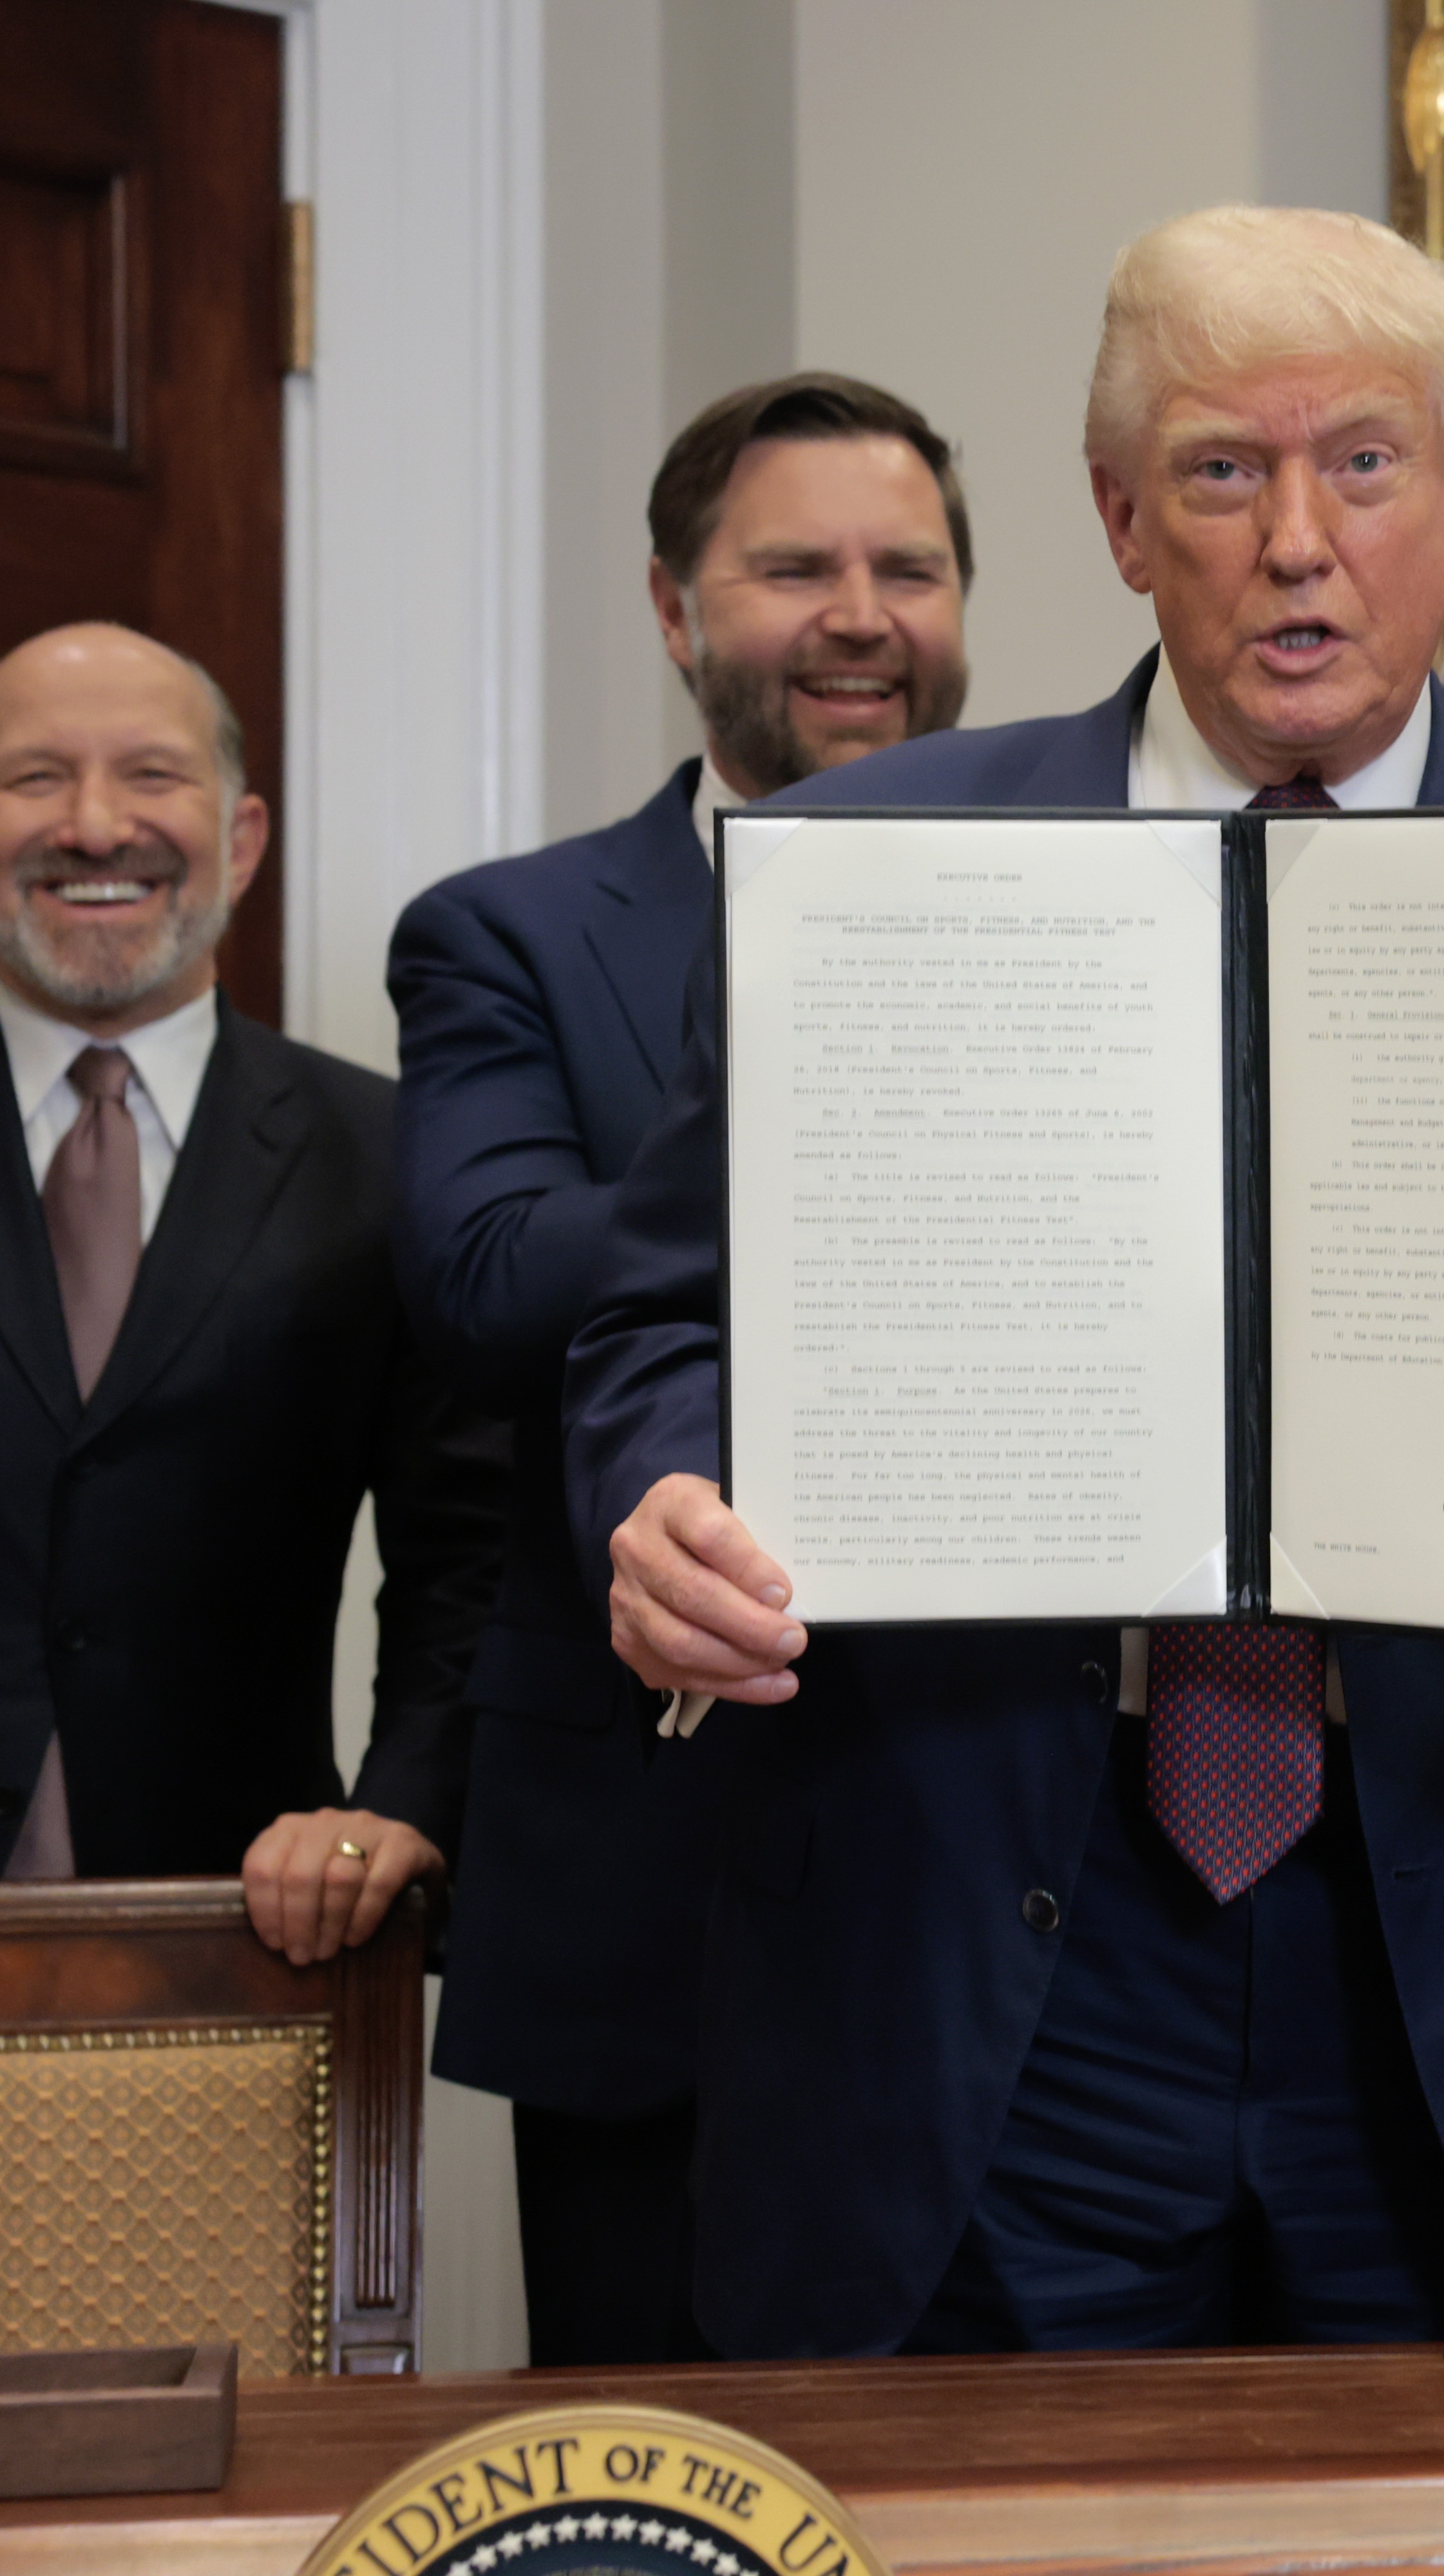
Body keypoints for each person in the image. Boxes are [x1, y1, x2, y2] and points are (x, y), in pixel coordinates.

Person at [566, 204, 1444, 2365]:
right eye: (1220, 474)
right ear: (1116, 519)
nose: (1294, 544)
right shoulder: (881, 872)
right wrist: (667, 1501)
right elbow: (664, 1316)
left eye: (1362, 468)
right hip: (987, 1934)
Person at [388, 373, 974, 2367]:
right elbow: (481, 1269)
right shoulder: (512, 935)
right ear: (673, 610)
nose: (859, 612)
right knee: (662, 2484)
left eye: (909, 566)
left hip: (1027, 1889)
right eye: (792, 565)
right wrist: (839, 1164)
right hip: (659, 1886)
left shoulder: (1093, 901)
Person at [0, 623, 503, 1960]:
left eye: (151, 776)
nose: (96, 827)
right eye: (36, 779)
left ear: (244, 834)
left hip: (244, 1936)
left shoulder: (388, 1154)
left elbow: (467, 1554)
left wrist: (398, 1804)